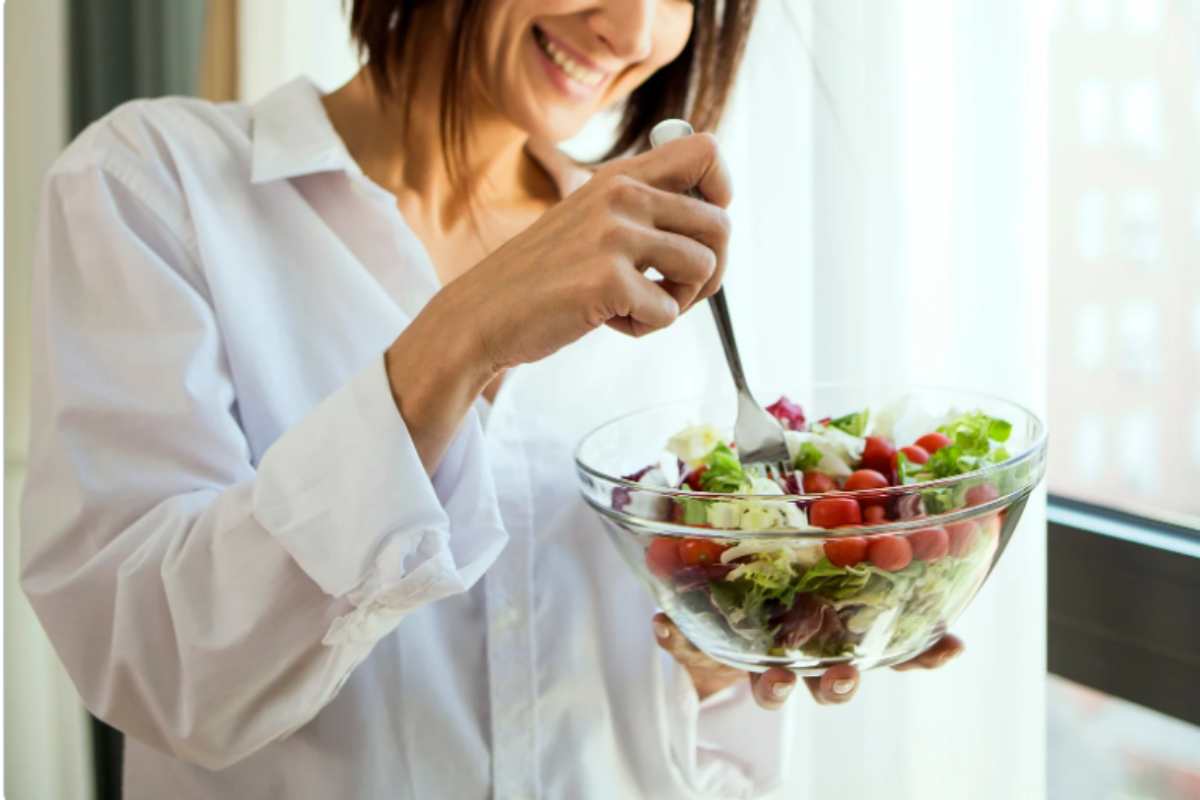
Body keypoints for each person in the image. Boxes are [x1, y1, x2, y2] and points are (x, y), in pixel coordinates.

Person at [21, 1, 962, 797]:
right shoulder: (154, 185)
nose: (632, 26)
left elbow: (701, 758)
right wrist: (459, 339)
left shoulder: (655, 266)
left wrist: (729, 654)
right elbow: (156, 666)